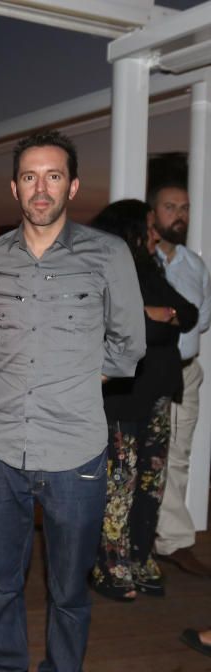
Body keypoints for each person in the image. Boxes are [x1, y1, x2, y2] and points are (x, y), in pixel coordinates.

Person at [0, 130, 146, 671]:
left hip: (76, 452)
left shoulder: (108, 253)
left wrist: (78, 378)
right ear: (14, 187)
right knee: (1, 584)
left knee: (69, 592)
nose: (41, 188)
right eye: (30, 177)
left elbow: (130, 344)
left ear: (72, 186)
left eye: (53, 176)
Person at [88, 199, 197, 601]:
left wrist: (156, 315)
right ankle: (110, 564)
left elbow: (187, 313)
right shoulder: (106, 267)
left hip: (159, 393)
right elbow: (124, 330)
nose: (154, 234)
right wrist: (151, 319)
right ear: (128, 229)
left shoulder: (151, 268)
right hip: (123, 395)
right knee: (120, 482)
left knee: (151, 483)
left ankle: (139, 555)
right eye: (148, 227)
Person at [149, 182, 211, 578]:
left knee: (179, 458)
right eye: (170, 207)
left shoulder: (195, 265)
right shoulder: (138, 260)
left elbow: (201, 320)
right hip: (148, 375)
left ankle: (170, 540)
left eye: (184, 208)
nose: (180, 215)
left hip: (186, 374)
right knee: (139, 458)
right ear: (153, 214)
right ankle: (155, 538)